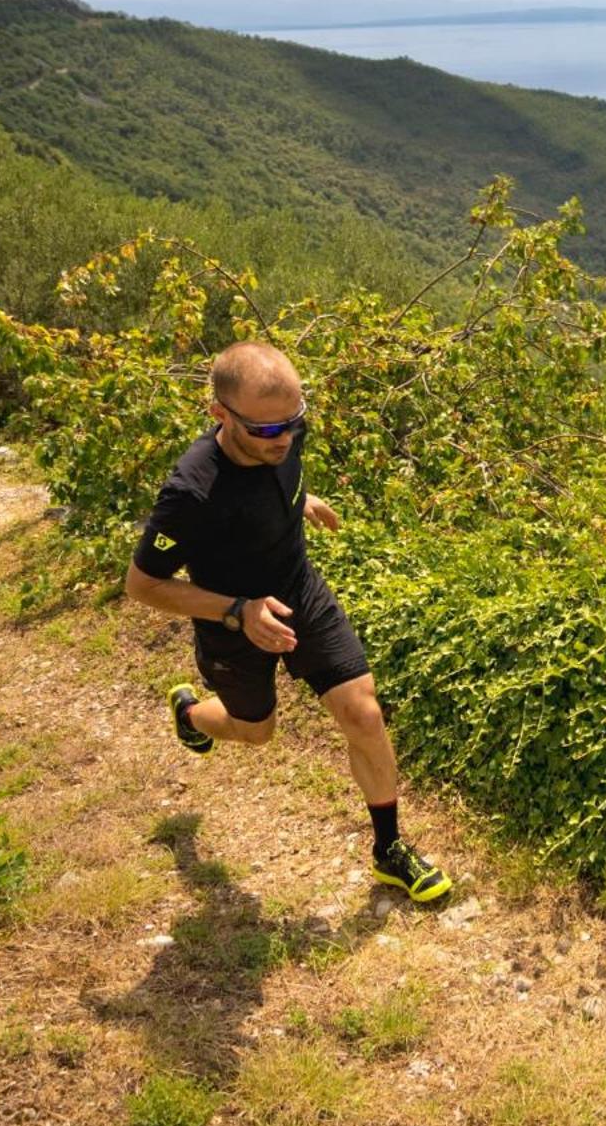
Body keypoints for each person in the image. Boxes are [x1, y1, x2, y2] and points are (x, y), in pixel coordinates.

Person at [124, 339, 449, 902]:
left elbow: (266, 477)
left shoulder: (280, 433)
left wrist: (302, 500)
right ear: (220, 415)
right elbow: (142, 585)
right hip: (232, 622)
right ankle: (192, 713)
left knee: (364, 714)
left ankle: (389, 851)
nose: (286, 439)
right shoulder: (190, 492)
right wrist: (236, 610)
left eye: (295, 423)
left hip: (298, 591)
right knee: (257, 732)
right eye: (268, 431)